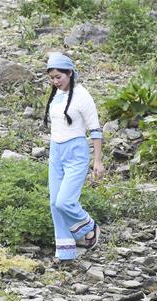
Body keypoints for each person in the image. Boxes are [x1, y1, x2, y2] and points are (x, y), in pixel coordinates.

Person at [43, 52, 105, 263]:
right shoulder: (57, 95)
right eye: (52, 78)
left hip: (76, 152)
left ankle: (90, 227)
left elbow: (95, 129)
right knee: (54, 204)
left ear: (70, 73)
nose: (55, 81)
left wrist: (97, 161)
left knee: (65, 202)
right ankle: (65, 253)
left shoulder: (82, 96)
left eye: (58, 77)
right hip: (56, 151)